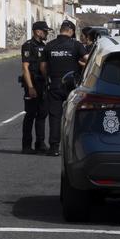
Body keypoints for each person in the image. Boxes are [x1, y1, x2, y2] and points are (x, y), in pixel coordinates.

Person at [39, 20, 89, 156]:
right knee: (73, 116)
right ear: (71, 31)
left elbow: (43, 67)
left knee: (55, 116)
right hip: (72, 85)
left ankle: (54, 147)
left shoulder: (49, 46)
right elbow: (89, 60)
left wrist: (48, 77)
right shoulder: (76, 45)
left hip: (55, 84)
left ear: (61, 30)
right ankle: (74, 148)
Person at [19, 21, 50, 154]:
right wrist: (30, 87)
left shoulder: (44, 46)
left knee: (42, 113)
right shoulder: (28, 46)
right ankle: (26, 145)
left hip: (42, 83)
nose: (46, 33)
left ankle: (40, 143)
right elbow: (25, 68)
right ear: (37, 32)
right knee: (30, 114)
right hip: (32, 83)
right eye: (45, 31)